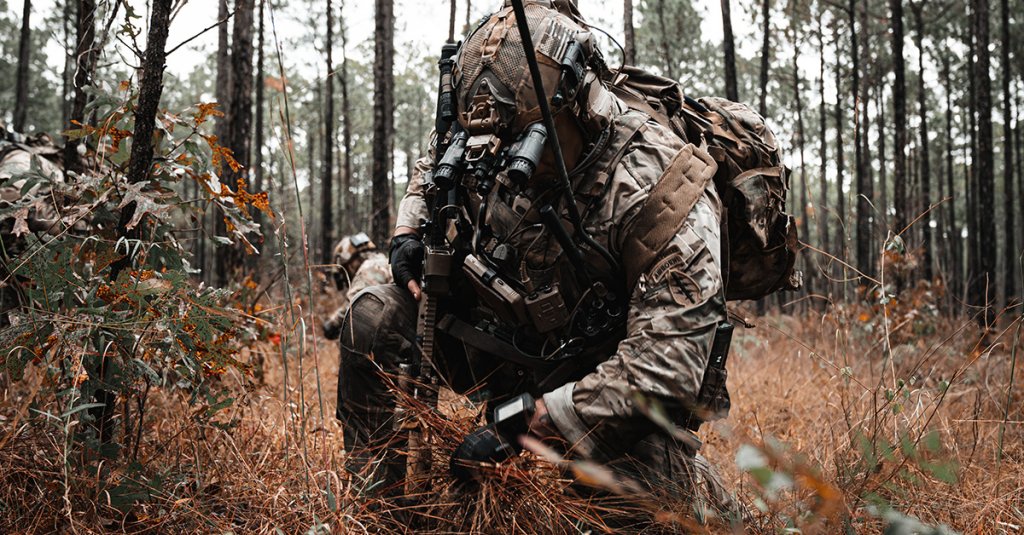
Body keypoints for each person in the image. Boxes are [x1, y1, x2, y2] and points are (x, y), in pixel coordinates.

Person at [338, 0, 745, 523]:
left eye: (524, 145)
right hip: (503, 344)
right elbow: (436, 158)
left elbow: (663, 370)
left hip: (604, 384)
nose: (502, 161)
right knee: (374, 308)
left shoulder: (660, 189)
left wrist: (523, 423)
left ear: (579, 108)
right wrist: (408, 230)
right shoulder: (490, 128)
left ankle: (705, 502)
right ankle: (383, 515)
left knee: (643, 509)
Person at [321, 232, 391, 341]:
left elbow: (355, 305)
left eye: (346, 268)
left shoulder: (370, 267)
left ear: (351, 261)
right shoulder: (385, 261)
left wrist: (333, 323)